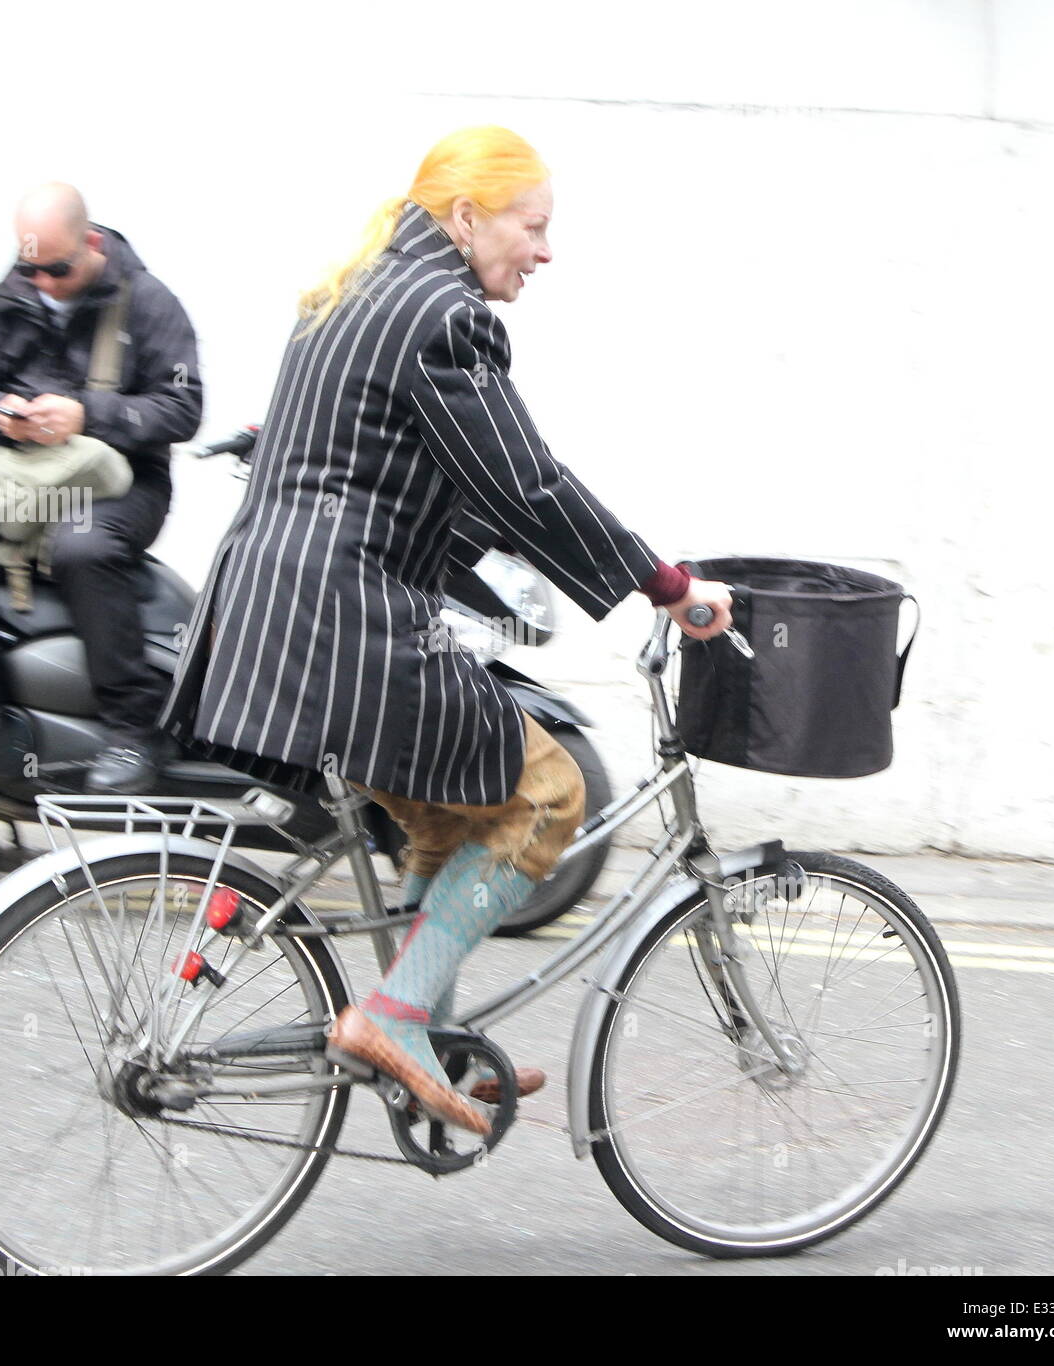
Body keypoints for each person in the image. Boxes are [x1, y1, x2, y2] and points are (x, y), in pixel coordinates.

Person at [160, 127, 732, 1134]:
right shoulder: (442, 316)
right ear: (467, 218)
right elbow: (525, 480)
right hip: (349, 620)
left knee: (445, 813)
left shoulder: (352, 290)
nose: (545, 251)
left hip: (275, 608)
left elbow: (415, 470)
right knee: (547, 793)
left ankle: (429, 1038)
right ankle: (394, 1013)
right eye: (534, 225)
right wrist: (664, 581)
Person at [0, 183, 203, 793]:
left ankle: (135, 731)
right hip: (25, 474)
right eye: (32, 269)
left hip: (121, 483)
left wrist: (86, 414)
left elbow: (181, 409)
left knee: (81, 546)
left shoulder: (149, 301)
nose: (45, 283)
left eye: (58, 269)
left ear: (91, 242)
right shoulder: (9, 296)